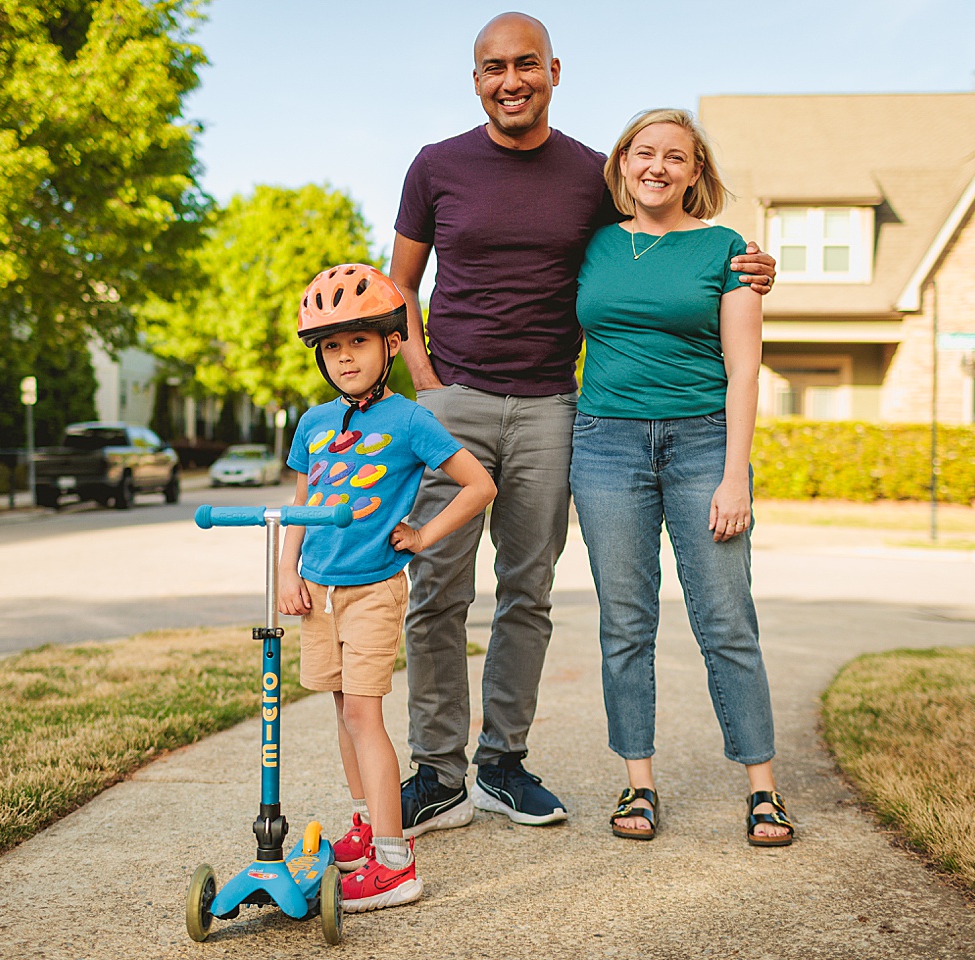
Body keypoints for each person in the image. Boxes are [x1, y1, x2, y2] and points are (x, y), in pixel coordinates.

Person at [389, 11, 776, 835]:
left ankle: (501, 765)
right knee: (437, 589)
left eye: (526, 64)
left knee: (526, 593)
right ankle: (436, 772)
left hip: (553, 409)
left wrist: (747, 266)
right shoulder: (434, 166)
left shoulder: (591, 177)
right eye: (494, 67)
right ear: (476, 79)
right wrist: (425, 387)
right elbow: (400, 290)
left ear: (554, 71)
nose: (511, 81)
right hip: (452, 404)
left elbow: (659, 242)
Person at [570, 108, 793, 846]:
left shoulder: (727, 250)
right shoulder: (595, 242)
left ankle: (762, 789)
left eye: (675, 156)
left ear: (696, 171)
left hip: (703, 445)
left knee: (726, 620)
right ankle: (638, 784)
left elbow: (744, 370)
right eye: (644, 153)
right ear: (622, 164)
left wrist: (736, 477)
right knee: (624, 622)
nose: (657, 166)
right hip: (605, 447)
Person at [278, 264, 497, 912]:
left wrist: (425, 535)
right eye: (332, 346)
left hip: (372, 591)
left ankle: (396, 861)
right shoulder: (313, 423)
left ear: (392, 344)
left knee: (363, 715)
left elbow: (479, 484)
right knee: (340, 710)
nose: (345, 357)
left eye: (358, 341)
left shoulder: (409, 420)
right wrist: (288, 571)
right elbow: (300, 504)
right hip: (317, 591)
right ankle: (365, 826)